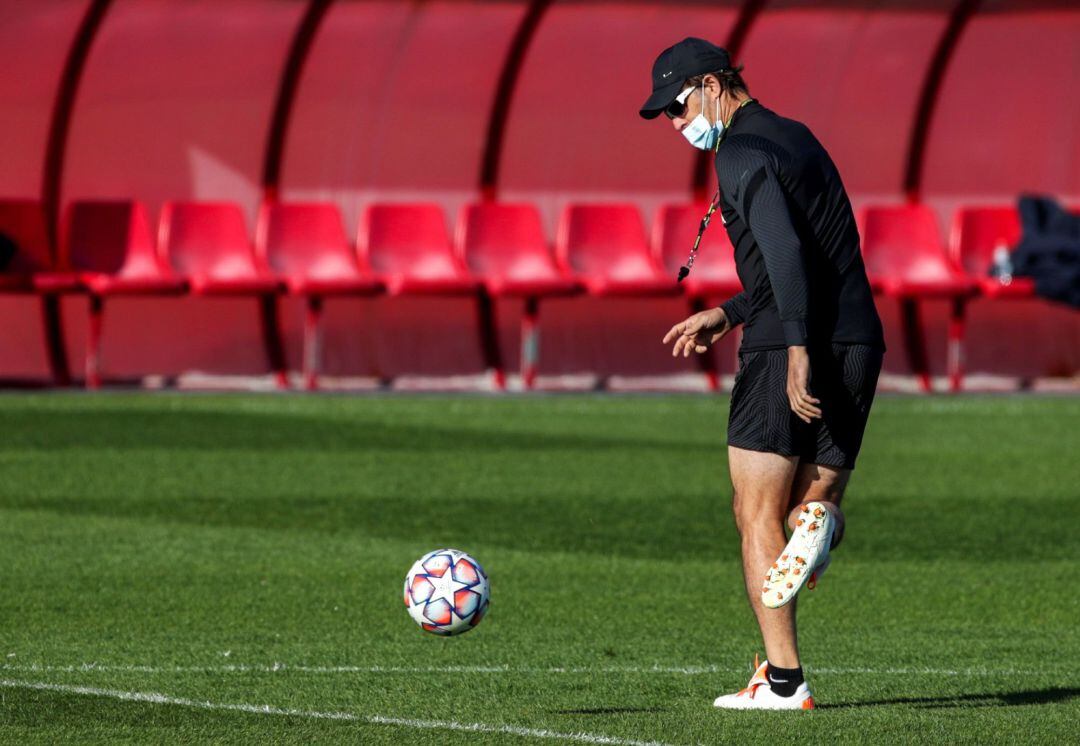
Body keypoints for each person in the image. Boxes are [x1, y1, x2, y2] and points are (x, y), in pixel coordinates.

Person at [641, 37, 886, 710]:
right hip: (860, 338)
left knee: (754, 511)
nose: (675, 121)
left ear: (715, 84)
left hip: (789, 342)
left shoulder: (740, 152)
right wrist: (728, 312)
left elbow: (780, 250)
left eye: (679, 103)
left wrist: (796, 348)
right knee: (815, 496)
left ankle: (783, 682)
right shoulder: (796, 137)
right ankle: (825, 527)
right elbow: (820, 253)